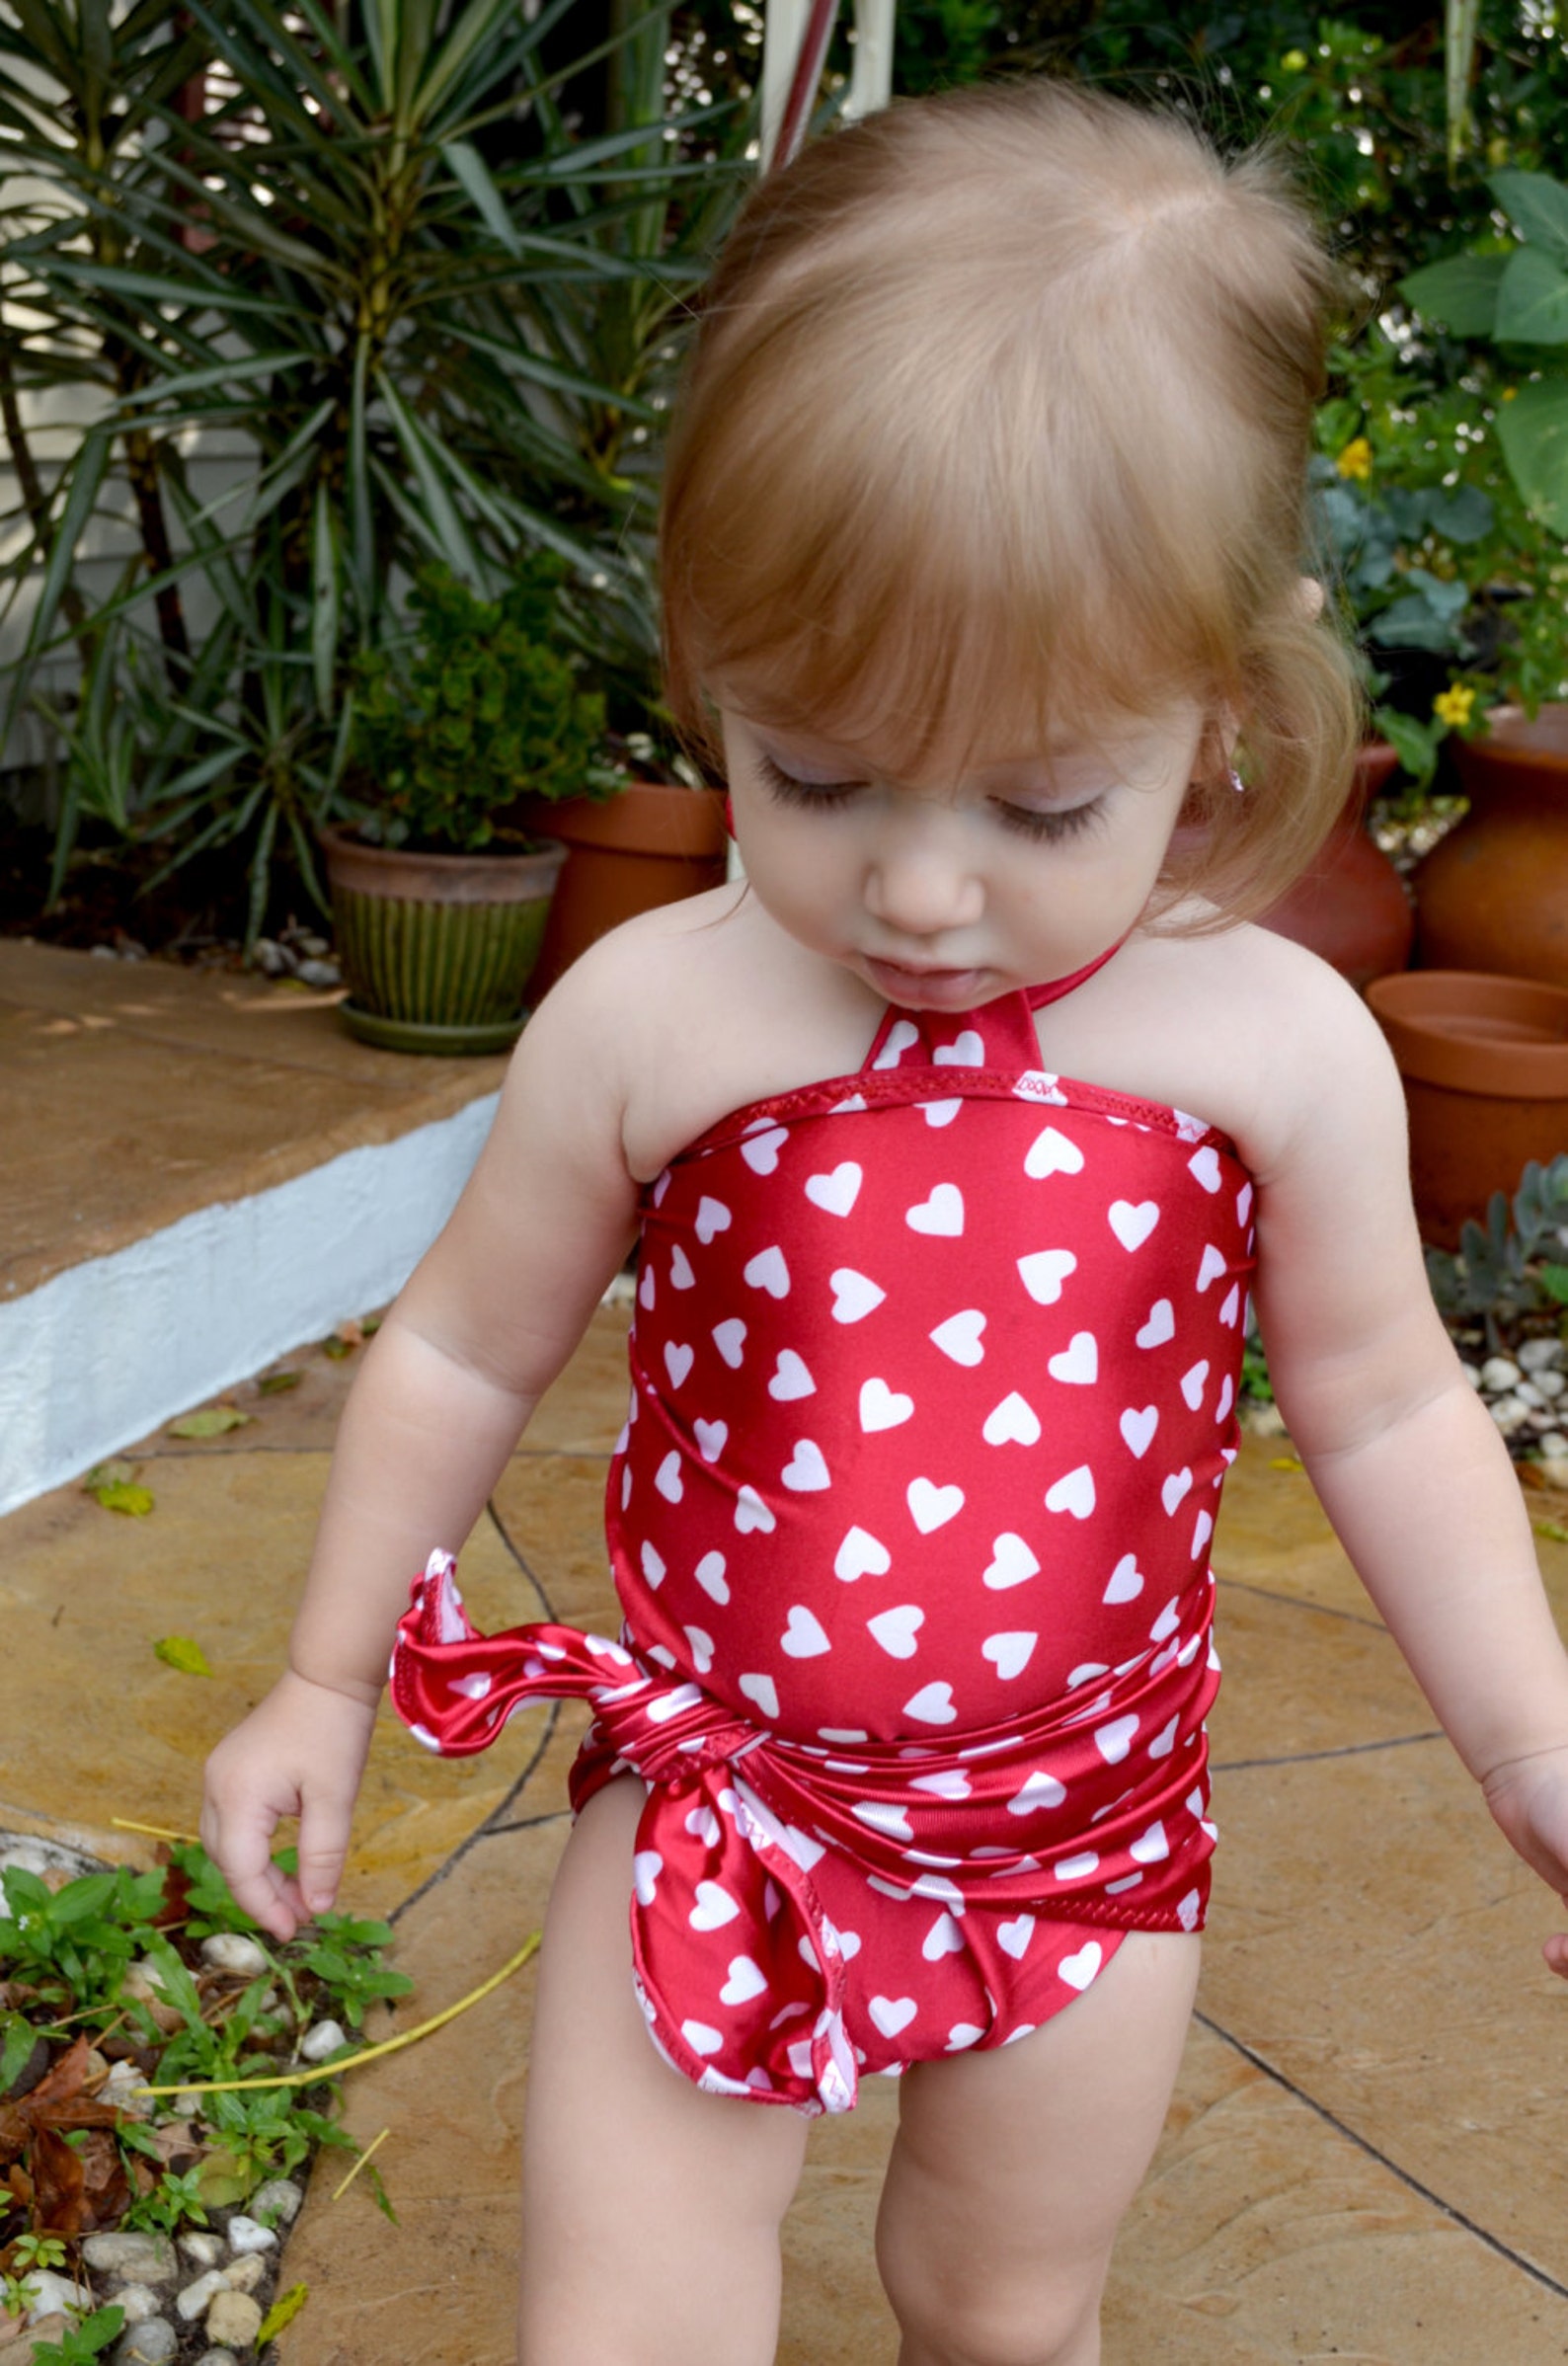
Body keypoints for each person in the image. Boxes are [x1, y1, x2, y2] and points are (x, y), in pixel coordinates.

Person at [201, 79, 1568, 2366]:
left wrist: (1529, 1745)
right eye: (812, 776)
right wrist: (329, 1668)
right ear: (710, 671)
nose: (918, 893)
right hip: (719, 1802)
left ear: (1216, 718)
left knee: (999, 2304)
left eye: (1045, 800)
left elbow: (1381, 1398)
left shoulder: (1269, 1048)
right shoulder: (655, 1008)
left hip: (1083, 1835)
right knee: (623, 2322)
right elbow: (459, 1344)